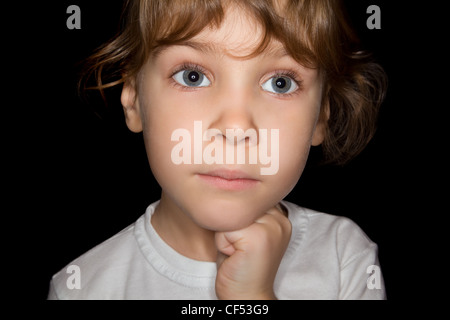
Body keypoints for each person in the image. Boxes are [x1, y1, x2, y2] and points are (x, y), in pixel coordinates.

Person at [48, 0, 387, 299]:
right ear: (133, 97)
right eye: (192, 76)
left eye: (279, 83)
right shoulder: (82, 288)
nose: (236, 127)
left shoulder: (344, 258)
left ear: (320, 117)